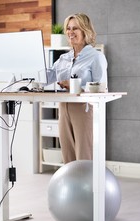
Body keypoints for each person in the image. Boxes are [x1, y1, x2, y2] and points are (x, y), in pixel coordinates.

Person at [46, 13, 108, 163]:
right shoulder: (63, 58)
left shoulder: (96, 57)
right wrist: (28, 74)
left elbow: (102, 87)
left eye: (75, 28)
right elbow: (47, 77)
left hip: (84, 109)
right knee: (67, 155)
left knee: (84, 155)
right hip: (63, 107)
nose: (70, 32)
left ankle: (89, 186)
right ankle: (72, 186)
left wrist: (75, 85)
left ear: (85, 31)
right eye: (68, 28)